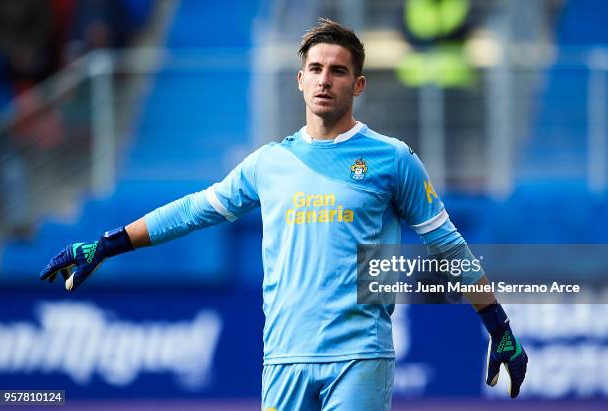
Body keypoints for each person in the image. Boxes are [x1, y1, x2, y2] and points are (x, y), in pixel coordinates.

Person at [40, 18, 527, 410]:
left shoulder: (392, 158)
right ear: (300, 80)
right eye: (315, 69)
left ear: (358, 84)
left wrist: (498, 325)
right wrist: (108, 243)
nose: (324, 79)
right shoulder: (268, 163)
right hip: (283, 361)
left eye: (338, 71)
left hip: (359, 359)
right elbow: (194, 211)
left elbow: (448, 247)